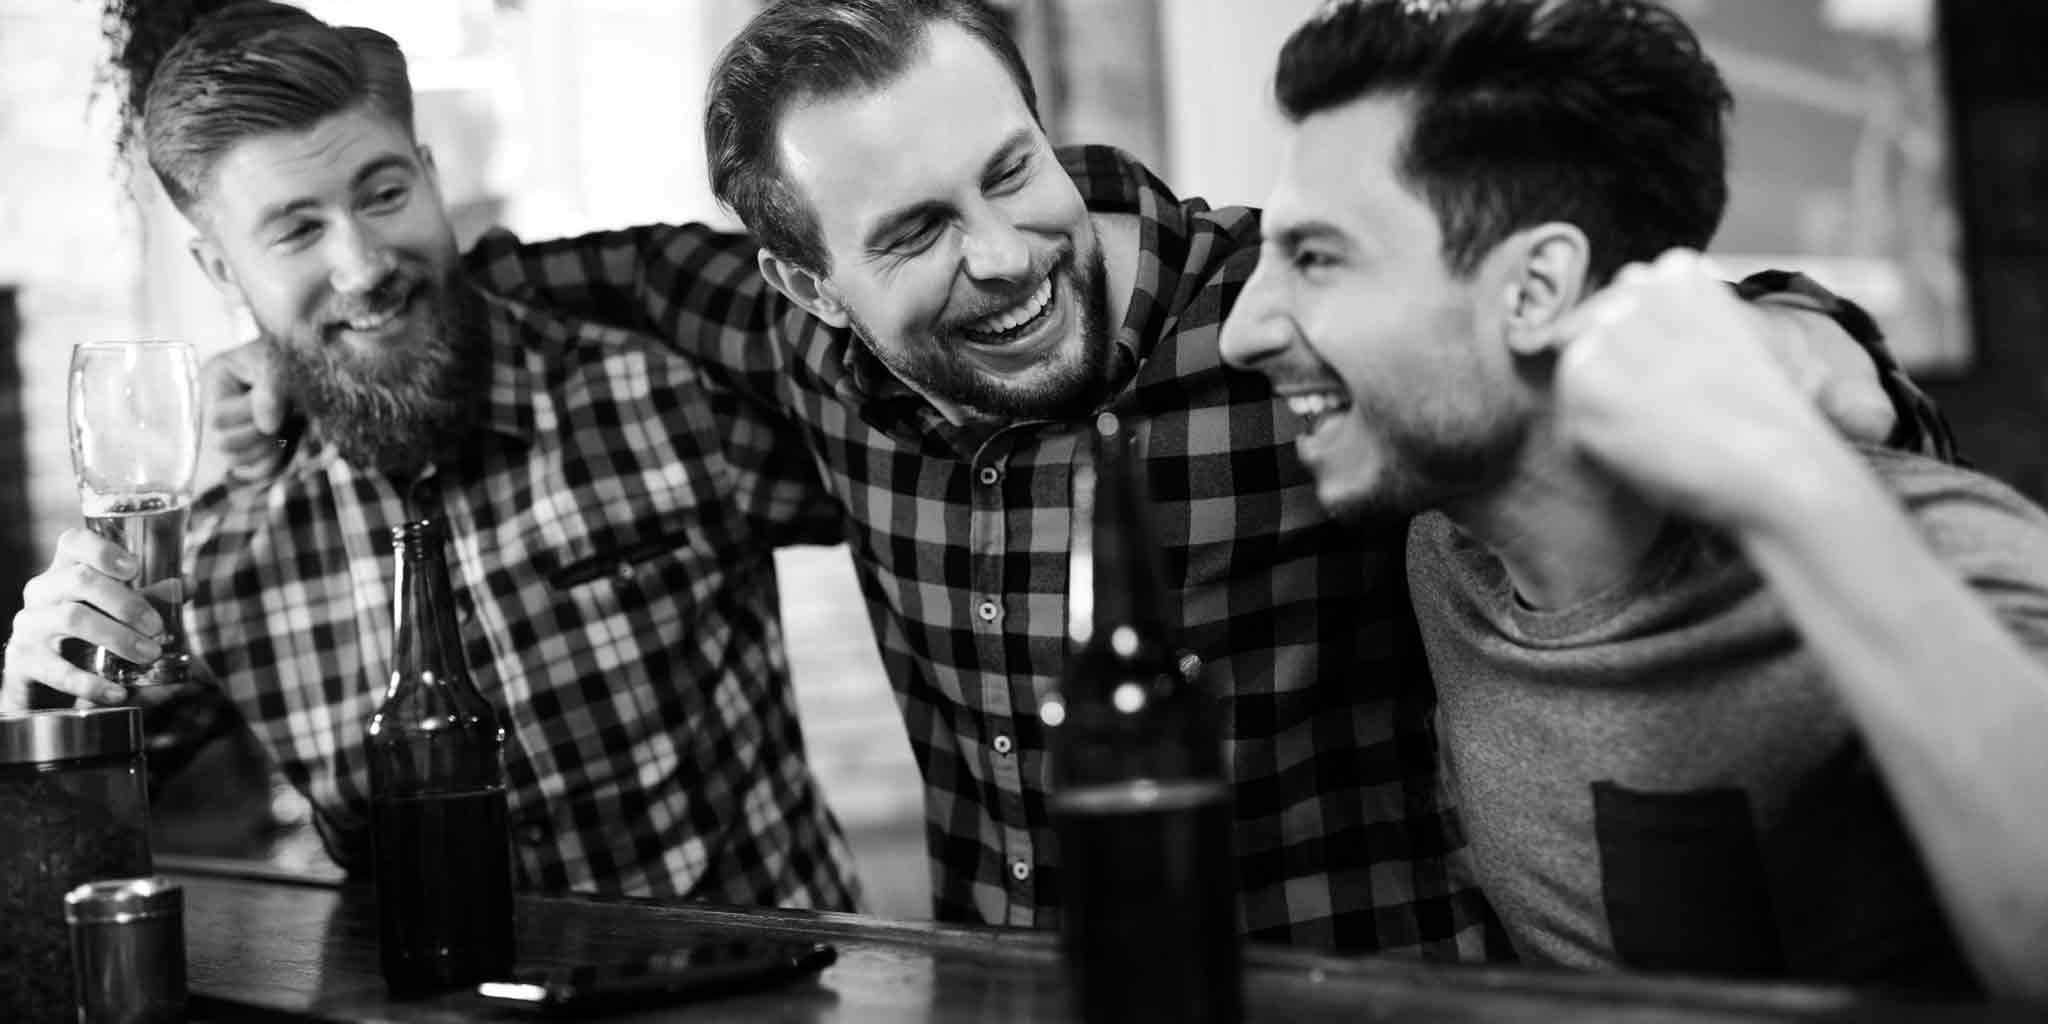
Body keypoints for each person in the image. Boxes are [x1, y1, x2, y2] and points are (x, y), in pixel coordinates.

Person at [199, 0, 1938, 957]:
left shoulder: (1288, 306)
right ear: (804, 286)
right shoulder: (780, 341)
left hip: (1377, 994)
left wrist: (1809, 336)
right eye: (911, 232)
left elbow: (1568, 295)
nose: (1006, 249)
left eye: (1007, 170)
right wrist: (281, 363)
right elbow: (473, 290)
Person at [1220, 0, 2048, 996]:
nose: (1242, 331)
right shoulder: (1447, 554)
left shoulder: (1951, 555)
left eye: (1316, 258)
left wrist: (1792, 490)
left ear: (1533, 291)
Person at [1, 1, 859, 911]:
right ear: (220, 272)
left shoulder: (660, 394)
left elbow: (904, 485)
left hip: (763, 989)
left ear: (431, 176)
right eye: (296, 231)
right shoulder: (217, 554)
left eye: (383, 194)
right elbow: (57, 864)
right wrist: (36, 701)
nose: (363, 265)